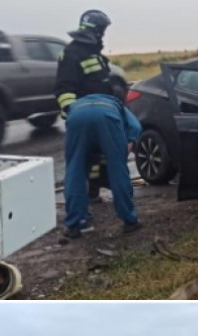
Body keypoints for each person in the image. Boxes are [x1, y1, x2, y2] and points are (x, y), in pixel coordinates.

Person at [55, 10, 142, 238]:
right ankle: (129, 220)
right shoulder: (72, 54)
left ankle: (74, 225)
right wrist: (129, 142)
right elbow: (64, 89)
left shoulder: (91, 54)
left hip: (79, 115)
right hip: (104, 112)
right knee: (117, 166)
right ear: (97, 31)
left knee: (75, 169)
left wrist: (73, 117)